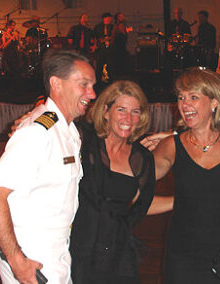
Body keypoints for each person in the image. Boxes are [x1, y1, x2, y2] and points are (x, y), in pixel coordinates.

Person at [0, 49, 96, 284]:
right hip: (33, 257)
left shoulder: (67, 130)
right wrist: (17, 260)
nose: (92, 93)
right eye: (83, 84)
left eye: (92, 85)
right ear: (57, 84)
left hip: (55, 250)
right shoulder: (38, 133)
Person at [143, 67, 220, 283]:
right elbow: (134, 189)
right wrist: (176, 202)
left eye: (193, 97)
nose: (184, 105)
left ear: (215, 102)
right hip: (183, 257)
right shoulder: (172, 146)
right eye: (181, 98)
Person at [69, 80, 155, 284]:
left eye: (135, 111)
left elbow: (142, 204)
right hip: (79, 247)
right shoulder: (83, 140)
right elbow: (52, 129)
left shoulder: (142, 157)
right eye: (121, 109)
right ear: (106, 111)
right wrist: (29, 120)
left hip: (118, 252)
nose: (128, 118)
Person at [93, 12, 114, 83]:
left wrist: (109, 39)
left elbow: (115, 36)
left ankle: (110, 81)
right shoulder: (98, 27)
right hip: (101, 49)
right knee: (99, 66)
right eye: (107, 18)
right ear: (104, 19)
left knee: (110, 66)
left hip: (110, 49)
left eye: (110, 19)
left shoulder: (113, 27)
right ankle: (98, 82)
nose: (109, 20)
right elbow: (94, 36)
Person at [111, 12, 132, 78]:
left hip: (120, 47)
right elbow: (114, 36)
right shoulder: (118, 26)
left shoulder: (120, 25)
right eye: (121, 16)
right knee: (120, 61)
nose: (123, 17)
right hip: (118, 47)